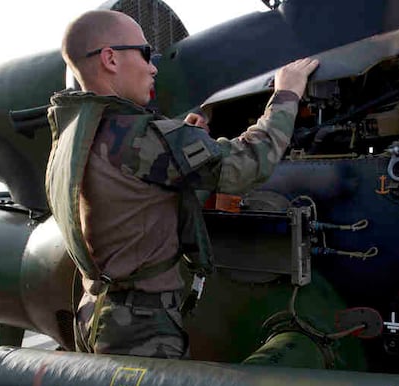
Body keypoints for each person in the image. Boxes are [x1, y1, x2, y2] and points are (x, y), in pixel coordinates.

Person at [45, 10, 318, 358]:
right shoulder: (145, 138)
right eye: (145, 53)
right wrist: (286, 96)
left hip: (94, 312)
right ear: (110, 58)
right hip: (141, 329)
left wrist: (184, 140)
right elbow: (247, 164)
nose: (153, 67)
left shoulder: (75, 133)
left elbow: (134, 177)